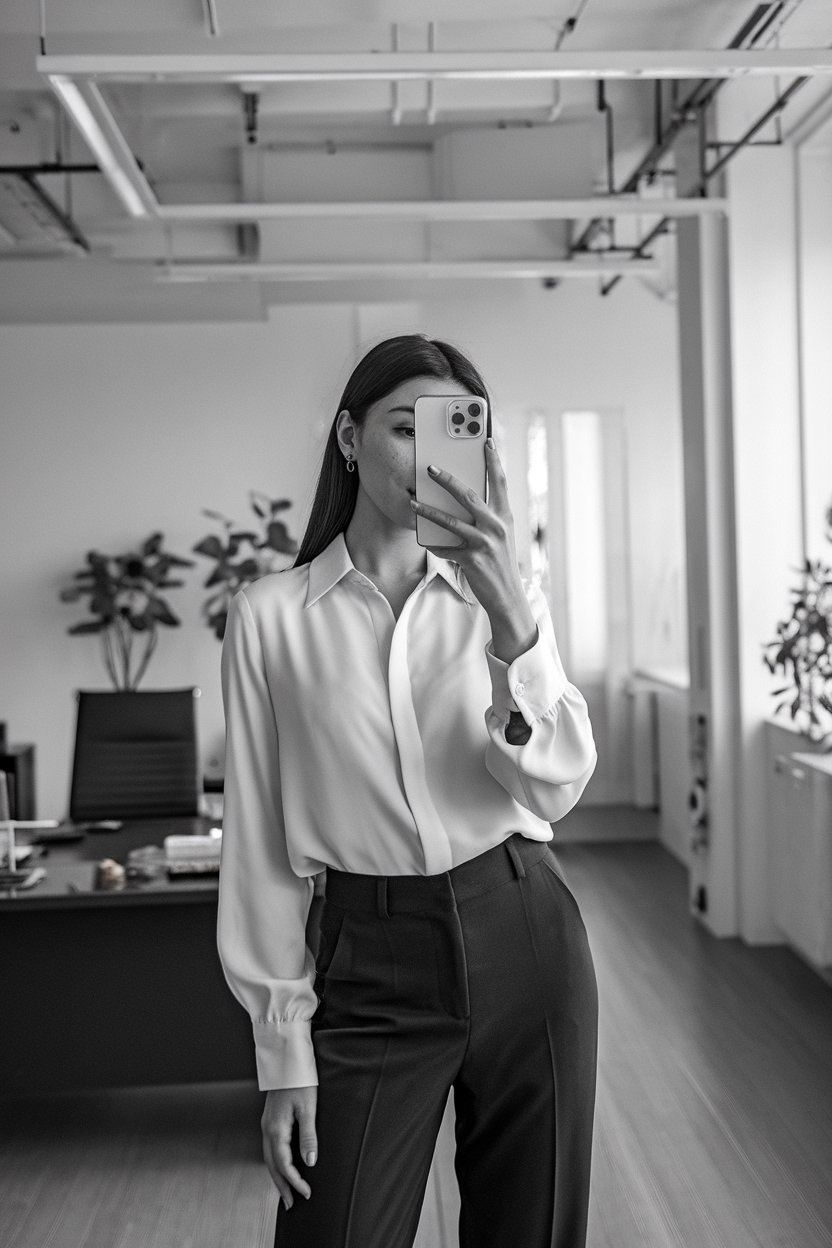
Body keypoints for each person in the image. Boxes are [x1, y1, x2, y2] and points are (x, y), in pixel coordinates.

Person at [217, 334, 599, 1248]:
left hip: (524, 930)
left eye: (452, 432)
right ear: (349, 438)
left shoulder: (503, 596)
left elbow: (554, 788)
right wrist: (282, 1054)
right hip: (369, 956)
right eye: (403, 427)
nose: (428, 457)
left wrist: (511, 613)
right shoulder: (270, 618)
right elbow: (261, 847)